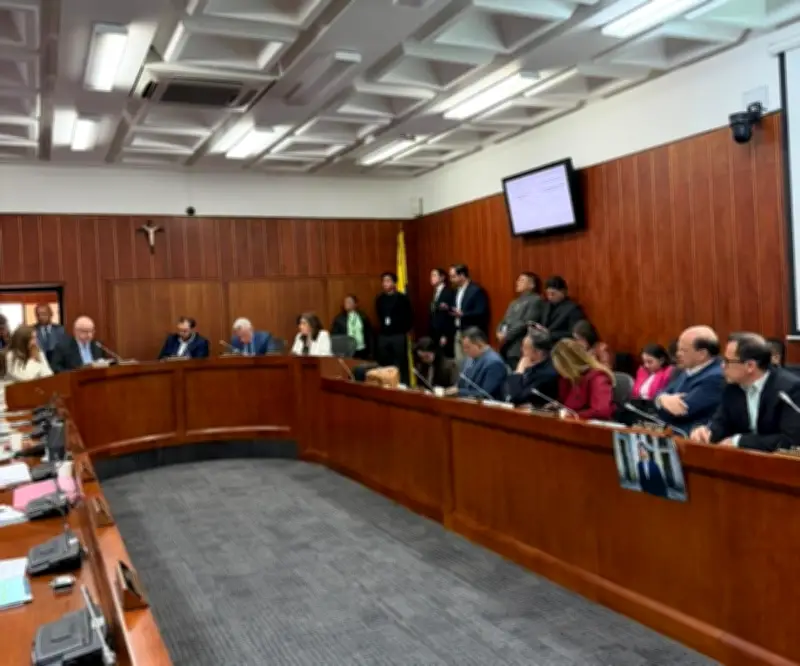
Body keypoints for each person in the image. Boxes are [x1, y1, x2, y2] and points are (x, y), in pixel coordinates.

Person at [690, 333, 800, 452]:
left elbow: (791, 440)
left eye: (727, 361)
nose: (722, 366)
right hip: (743, 458)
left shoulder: (788, 389)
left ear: (750, 366)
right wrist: (707, 431)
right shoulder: (732, 387)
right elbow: (721, 422)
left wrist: (740, 441)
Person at [654, 326, 724, 433]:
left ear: (702, 354)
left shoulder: (717, 377)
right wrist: (662, 399)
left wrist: (660, 402)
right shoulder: (687, 369)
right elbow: (662, 391)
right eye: (678, 349)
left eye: (683, 350)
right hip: (671, 432)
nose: (677, 354)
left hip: (690, 437)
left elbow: (681, 412)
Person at [550, 338, 615, 420]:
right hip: (571, 422)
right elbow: (567, 403)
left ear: (569, 365)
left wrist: (572, 415)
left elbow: (600, 411)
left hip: (589, 424)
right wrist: (558, 405)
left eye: (560, 367)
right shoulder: (569, 379)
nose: (558, 370)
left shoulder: (598, 378)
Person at [497, 271, 544, 368]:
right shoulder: (514, 302)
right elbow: (504, 321)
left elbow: (526, 323)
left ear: (532, 285)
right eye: (518, 280)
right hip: (506, 346)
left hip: (519, 346)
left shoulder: (536, 300)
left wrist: (506, 336)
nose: (517, 282)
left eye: (522, 280)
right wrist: (499, 331)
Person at [445, 327, 506, 400]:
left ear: (480, 344)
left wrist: (459, 392)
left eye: (467, 347)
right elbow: (461, 384)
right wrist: (453, 389)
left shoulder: (494, 363)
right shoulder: (469, 359)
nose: (465, 351)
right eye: (463, 347)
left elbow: (486, 394)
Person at [375, 272, 413, 384]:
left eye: (388, 281)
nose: (385, 284)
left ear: (394, 283)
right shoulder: (380, 299)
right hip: (384, 335)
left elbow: (409, 316)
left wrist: (404, 330)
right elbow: (379, 315)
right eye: (383, 281)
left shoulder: (402, 298)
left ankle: (404, 385)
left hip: (398, 335)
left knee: (401, 363)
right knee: (384, 362)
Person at [448, 264, 489, 363]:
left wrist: (463, 314)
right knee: (459, 363)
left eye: (453, 276)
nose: (451, 280)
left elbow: (480, 312)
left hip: (471, 333)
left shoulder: (476, 290)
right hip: (458, 332)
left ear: (462, 275)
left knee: (472, 362)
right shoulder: (456, 291)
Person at [505, 330, 559, 406]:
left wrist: (519, 372)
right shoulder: (531, 366)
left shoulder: (547, 374)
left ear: (539, 352)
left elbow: (517, 399)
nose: (521, 350)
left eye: (525, 347)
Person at [534, 276, 584, 342]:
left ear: (563, 292)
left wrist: (550, 334)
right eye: (547, 294)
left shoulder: (573, 309)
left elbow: (574, 333)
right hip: (543, 340)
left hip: (559, 342)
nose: (549, 297)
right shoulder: (546, 305)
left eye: (553, 294)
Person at [331, 295, 372, 360]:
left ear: (355, 304)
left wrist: (371, 352)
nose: (346, 304)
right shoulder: (339, 319)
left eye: (349, 302)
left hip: (362, 350)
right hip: (347, 351)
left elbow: (369, 335)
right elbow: (335, 337)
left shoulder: (363, 317)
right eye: (345, 302)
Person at [429, 268, 455, 357]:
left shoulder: (448, 292)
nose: (431, 278)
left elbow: (449, 316)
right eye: (431, 276)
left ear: (442, 277)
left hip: (445, 334)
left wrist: (445, 335)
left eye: (434, 275)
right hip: (434, 333)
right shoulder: (435, 292)